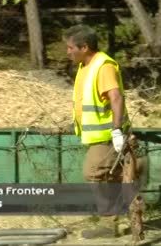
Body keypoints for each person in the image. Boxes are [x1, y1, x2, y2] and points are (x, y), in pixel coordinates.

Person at [64, 25, 133, 239]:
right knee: (109, 175)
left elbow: (116, 97)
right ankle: (114, 220)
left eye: (70, 48)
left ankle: (108, 221)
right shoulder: (86, 66)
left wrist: (117, 131)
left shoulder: (103, 66)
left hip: (107, 135)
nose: (67, 52)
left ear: (84, 47)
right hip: (97, 135)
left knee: (93, 173)